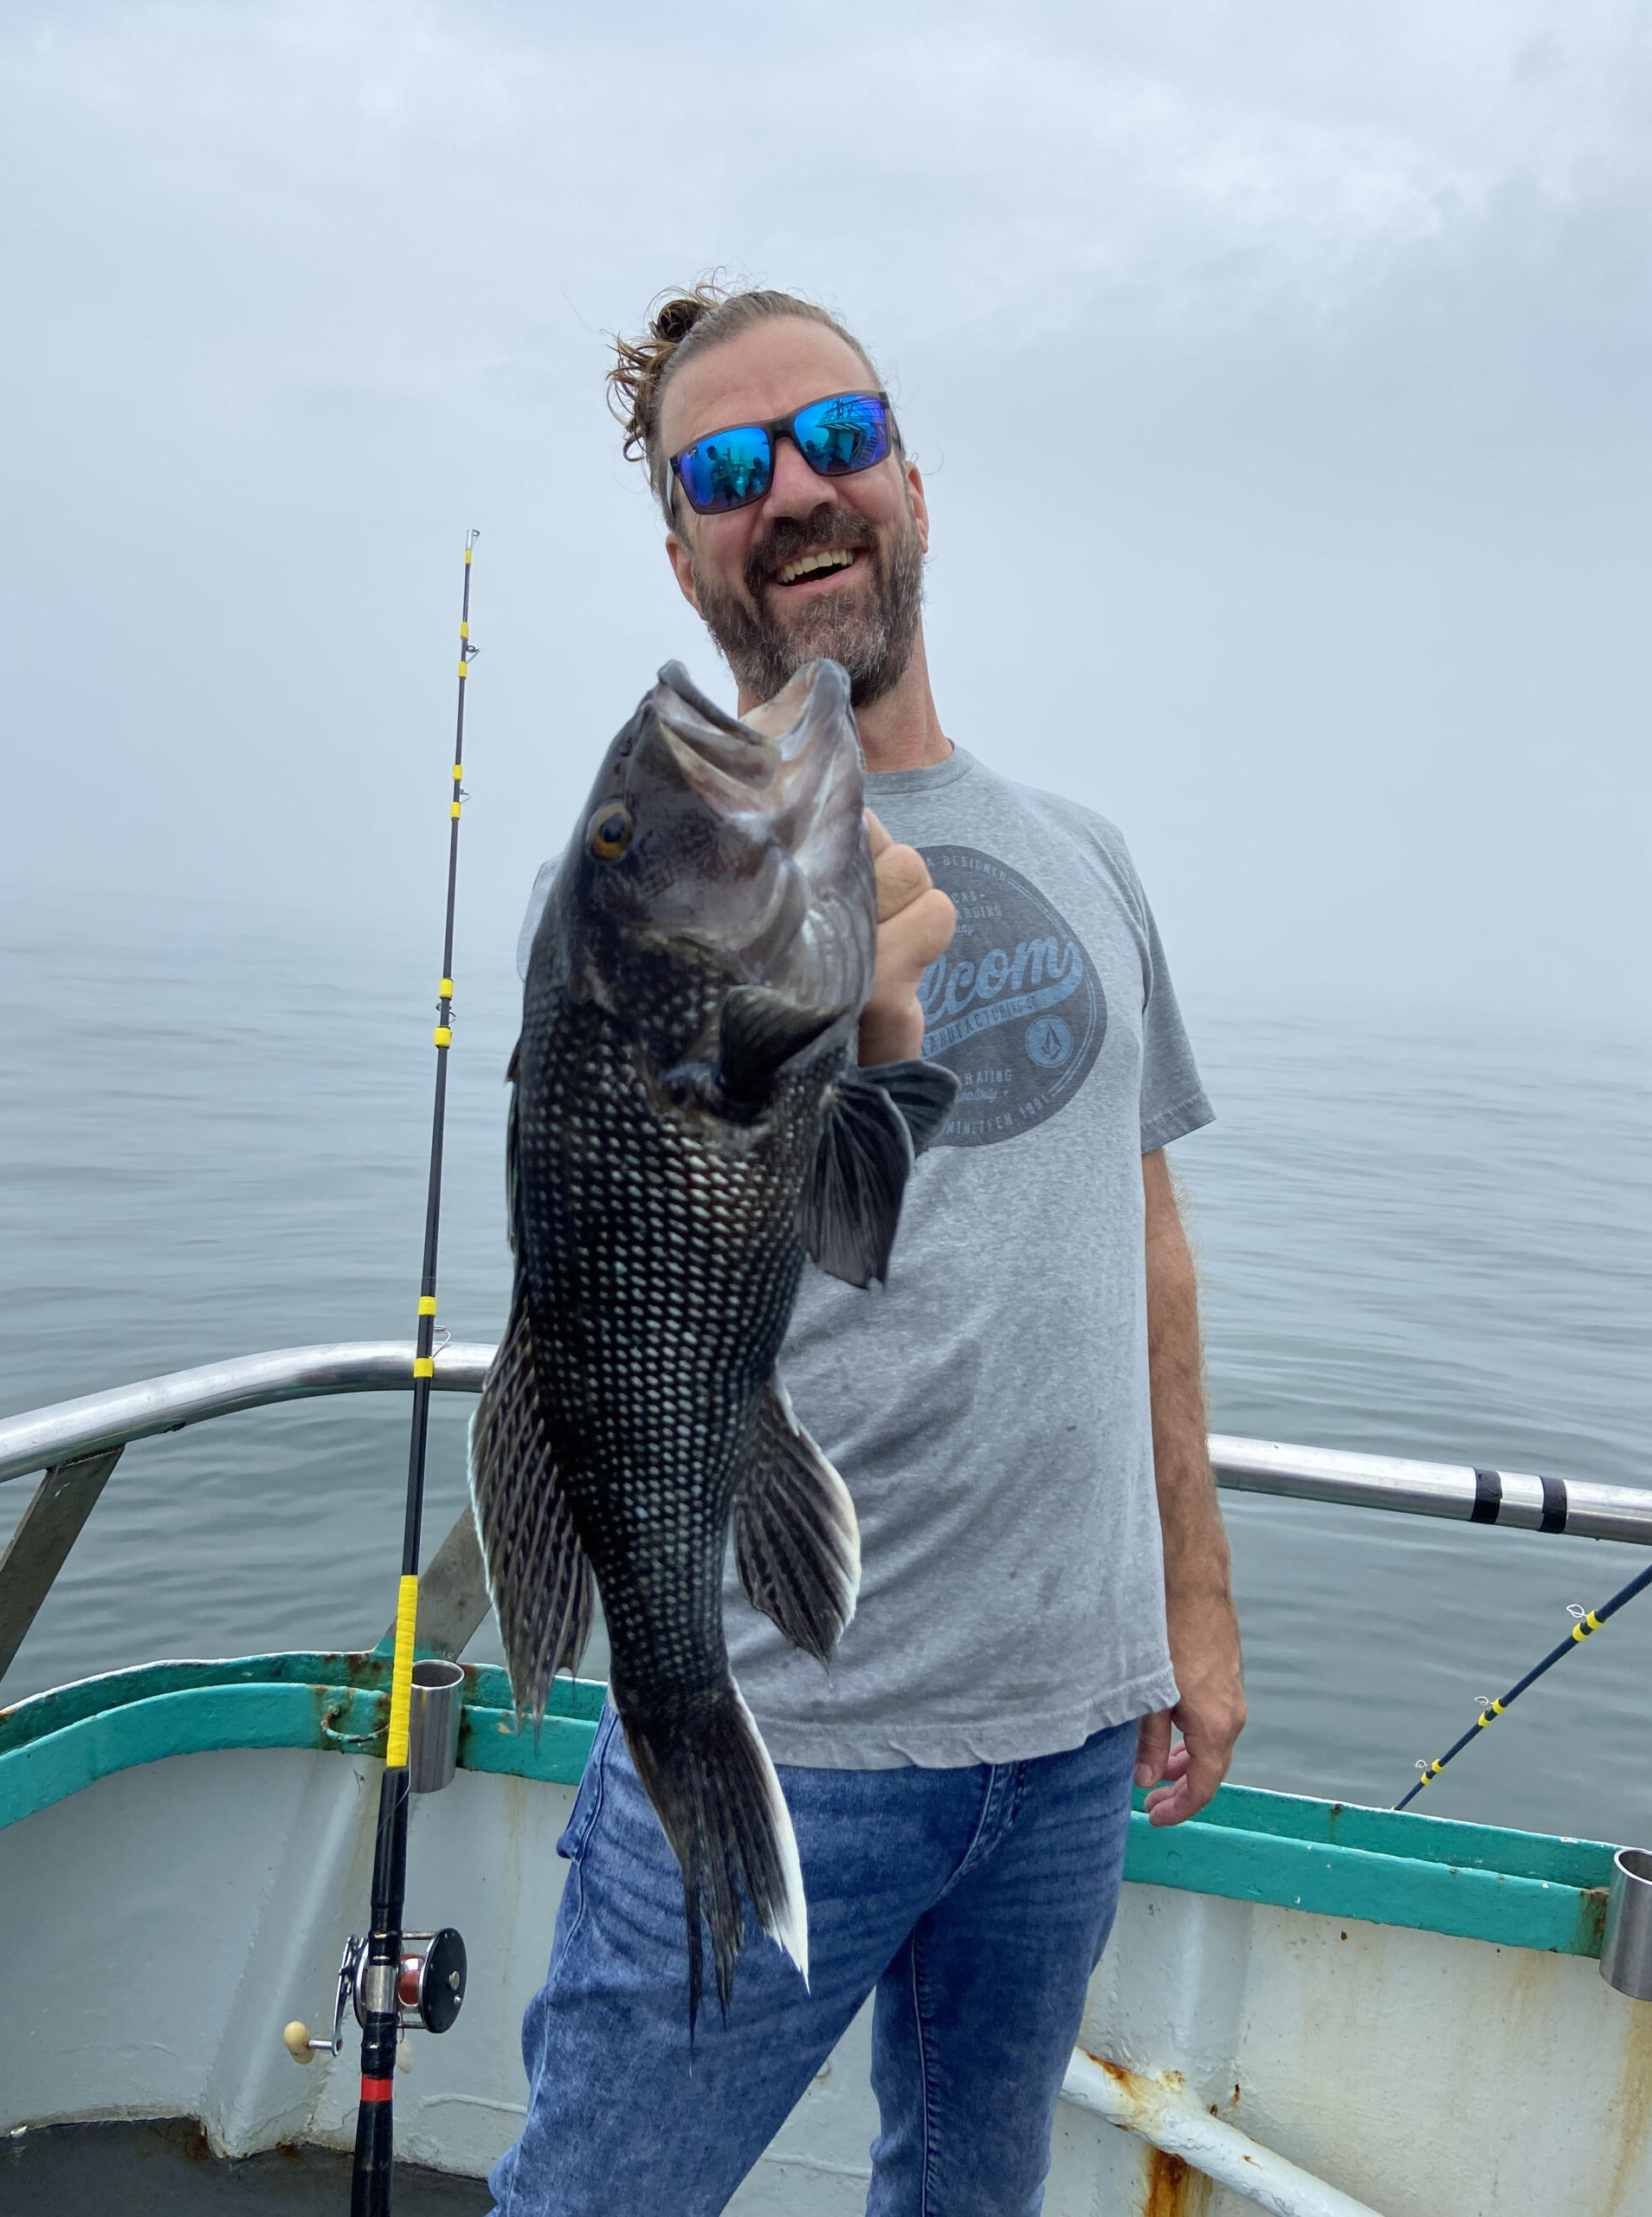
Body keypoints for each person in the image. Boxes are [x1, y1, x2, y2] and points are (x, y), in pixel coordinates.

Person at [490, 283, 1244, 2217]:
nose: (797, 490)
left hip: (1073, 1723)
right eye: (728, 469)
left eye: (837, 436)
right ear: (684, 550)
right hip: (780, 1709)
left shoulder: (1085, 849)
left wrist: (1197, 1607)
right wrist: (842, 1047)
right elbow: (623, 1280)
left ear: (911, 474)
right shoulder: (636, 924)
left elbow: (1143, 1235)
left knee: (969, 2195)